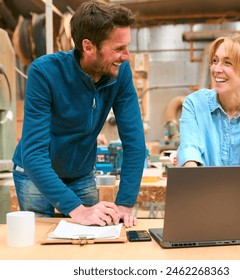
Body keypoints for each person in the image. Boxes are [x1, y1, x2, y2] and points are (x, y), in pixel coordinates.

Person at [12, 0, 146, 227]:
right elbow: (34, 155)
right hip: (35, 176)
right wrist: (78, 211)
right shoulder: (44, 72)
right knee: (38, 247)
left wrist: (124, 204)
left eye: (127, 46)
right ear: (88, 46)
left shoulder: (120, 73)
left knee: (91, 245)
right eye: (118, 49)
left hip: (81, 175)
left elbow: (134, 142)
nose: (127, 56)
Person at [177, 33, 240, 167]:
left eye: (228, 63)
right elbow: (189, 151)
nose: (216, 69)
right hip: (202, 187)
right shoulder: (195, 104)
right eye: (215, 61)